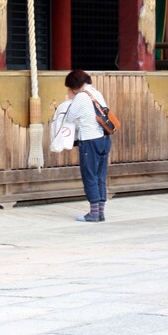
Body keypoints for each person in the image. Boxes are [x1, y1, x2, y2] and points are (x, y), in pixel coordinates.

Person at [63, 69, 111, 222]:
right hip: (104, 139)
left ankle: (93, 213)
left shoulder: (81, 97)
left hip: (90, 140)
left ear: (73, 86)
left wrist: (72, 98)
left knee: (89, 176)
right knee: (100, 176)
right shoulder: (97, 93)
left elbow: (70, 117)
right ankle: (100, 212)